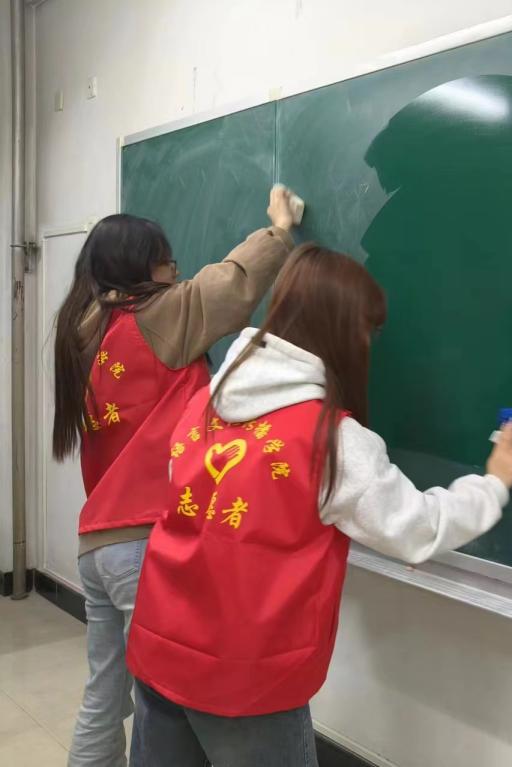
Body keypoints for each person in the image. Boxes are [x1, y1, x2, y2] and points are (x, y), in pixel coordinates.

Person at [125, 243, 512, 767]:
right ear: (344, 332)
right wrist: (494, 484)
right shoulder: (329, 439)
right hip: (245, 679)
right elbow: (418, 528)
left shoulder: (203, 403)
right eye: (368, 332)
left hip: (160, 644)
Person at [51, 186, 300, 767]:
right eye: (166, 262)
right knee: (165, 705)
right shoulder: (158, 317)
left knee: (104, 696)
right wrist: (279, 230)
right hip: (146, 546)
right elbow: (232, 284)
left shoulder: (83, 332)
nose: (177, 271)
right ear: (139, 268)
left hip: (97, 545)